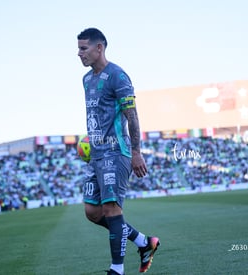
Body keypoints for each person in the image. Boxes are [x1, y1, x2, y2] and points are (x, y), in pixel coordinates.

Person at [77, 28, 160, 275]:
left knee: (112, 209)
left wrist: (136, 152)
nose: (79, 53)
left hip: (117, 152)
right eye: (79, 48)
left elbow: (131, 115)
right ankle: (144, 242)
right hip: (97, 154)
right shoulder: (86, 80)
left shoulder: (118, 76)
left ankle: (117, 269)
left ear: (99, 48)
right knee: (92, 212)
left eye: (83, 48)